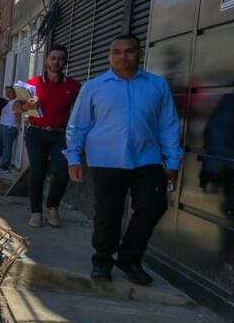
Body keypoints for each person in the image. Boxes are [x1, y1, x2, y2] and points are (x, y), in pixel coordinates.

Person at [65, 35, 182, 285]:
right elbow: (78, 125)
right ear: (109, 55)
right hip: (107, 160)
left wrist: (173, 161)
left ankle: (130, 257)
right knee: (108, 213)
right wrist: (73, 158)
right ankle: (103, 260)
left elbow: (169, 125)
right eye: (116, 52)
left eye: (129, 51)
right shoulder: (94, 87)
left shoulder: (156, 86)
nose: (123, 56)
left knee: (152, 207)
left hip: (147, 159)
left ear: (139, 54)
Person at [19, 45, 82, 227]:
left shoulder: (73, 86)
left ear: (65, 62)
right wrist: (28, 106)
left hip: (61, 134)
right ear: (47, 60)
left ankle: (52, 207)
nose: (56, 62)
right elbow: (20, 108)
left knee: (62, 171)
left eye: (60, 59)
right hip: (36, 133)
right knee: (37, 172)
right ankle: (36, 212)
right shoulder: (33, 84)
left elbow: (80, 111)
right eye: (53, 58)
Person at [0, 87, 21, 174]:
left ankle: (4, 167)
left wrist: (18, 125)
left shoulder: (16, 102)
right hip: (3, 126)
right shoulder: (8, 102)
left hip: (10, 127)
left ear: (15, 93)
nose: (7, 94)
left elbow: (17, 114)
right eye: (6, 92)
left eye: (9, 92)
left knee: (7, 147)